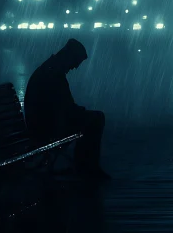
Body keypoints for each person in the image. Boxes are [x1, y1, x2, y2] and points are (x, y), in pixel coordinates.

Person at [24, 39, 110, 180]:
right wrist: (80, 112)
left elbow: (61, 105)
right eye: (75, 63)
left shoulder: (49, 69)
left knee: (92, 119)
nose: (74, 68)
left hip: (42, 123)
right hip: (47, 128)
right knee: (95, 119)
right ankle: (87, 167)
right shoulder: (54, 74)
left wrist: (77, 112)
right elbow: (64, 108)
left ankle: (86, 166)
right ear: (69, 57)